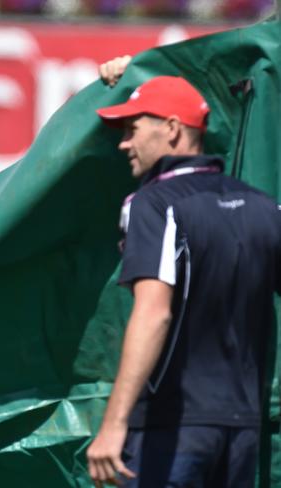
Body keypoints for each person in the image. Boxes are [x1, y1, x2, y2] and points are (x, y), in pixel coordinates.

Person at [86, 75, 281, 487]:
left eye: (132, 129)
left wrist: (114, 424)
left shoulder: (151, 203)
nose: (124, 144)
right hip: (243, 429)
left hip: (170, 428)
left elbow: (153, 313)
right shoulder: (264, 207)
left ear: (172, 128)